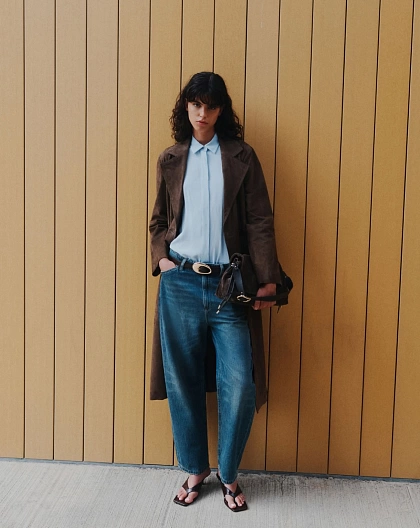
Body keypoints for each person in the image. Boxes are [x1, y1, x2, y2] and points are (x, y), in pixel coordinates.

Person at [149, 72, 282, 512]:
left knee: (240, 382)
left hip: (230, 286)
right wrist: (163, 262)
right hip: (181, 283)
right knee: (182, 381)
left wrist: (267, 277)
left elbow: (259, 220)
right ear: (185, 107)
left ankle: (228, 473)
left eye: (209, 105)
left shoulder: (241, 156)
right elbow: (158, 222)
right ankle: (194, 469)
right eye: (195, 104)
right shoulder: (171, 158)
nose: (201, 113)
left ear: (221, 110)